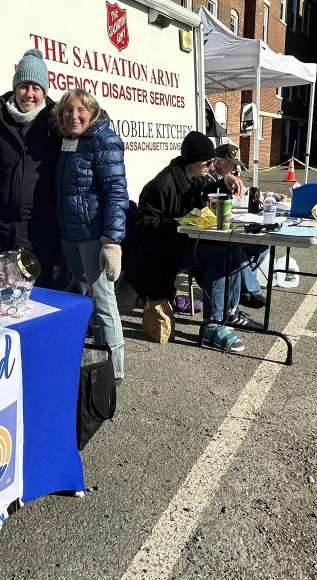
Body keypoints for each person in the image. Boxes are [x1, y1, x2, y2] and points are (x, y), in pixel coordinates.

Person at [125, 131, 264, 353]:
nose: (212, 165)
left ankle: (229, 311)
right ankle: (212, 325)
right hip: (159, 256)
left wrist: (224, 181)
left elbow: (202, 192)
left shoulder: (191, 175)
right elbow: (145, 226)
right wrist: (182, 223)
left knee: (235, 248)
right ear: (194, 160)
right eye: (209, 162)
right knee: (221, 255)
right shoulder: (160, 185)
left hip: (182, 245)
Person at [54, 89, 129, 382]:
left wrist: (111, 240)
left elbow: (116, 192)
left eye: (80, 110)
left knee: (104, 302)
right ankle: (99, 360)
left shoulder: (103, 140)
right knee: (88, 299)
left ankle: (115, 371)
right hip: (70, 235)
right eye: (68, 111)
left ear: (92, 112)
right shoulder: (67, 142)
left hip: (92, 235)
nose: (74, 116)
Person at [0, 49, 62, 287]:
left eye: (36, 88)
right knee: (5, 295)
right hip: (3, 228)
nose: (29, 94)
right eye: (24, 86)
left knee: (42, 297)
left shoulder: (54, 123)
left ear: (44, 92)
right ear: (15, 88)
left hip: (41, 230)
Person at [213, 142, 267, 308]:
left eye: (236, 164)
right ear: (218, 161)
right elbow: (223, 200)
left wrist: (268, 195)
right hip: (213, 234)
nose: (234, 168)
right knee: (237, 249)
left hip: (232, 226)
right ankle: (252, 290)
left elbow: (244, 193)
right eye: (230, 164)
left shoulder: (232, 177)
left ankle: (244, 286)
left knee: (262, 244)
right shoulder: (209, 177)